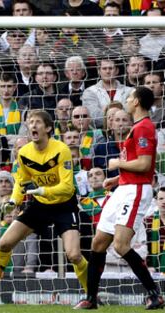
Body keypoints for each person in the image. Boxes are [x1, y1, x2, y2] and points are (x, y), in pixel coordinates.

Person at [0, 109, 88, 298]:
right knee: (5, 243)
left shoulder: (61, 150)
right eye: (30, 122)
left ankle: (91, 294)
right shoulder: (24, 153)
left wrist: (43, 190)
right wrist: (14, 202)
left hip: (64, 206)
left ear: (48, 128)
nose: (33, 125)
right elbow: (21, 183)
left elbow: (67, 187)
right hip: (40, 205)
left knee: (73, 255)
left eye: (37, 122)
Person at [74, 87, 164, 310]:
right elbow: (138, 165)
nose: (128, 100)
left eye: (131, 97)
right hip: (124, 188)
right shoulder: (136, 127)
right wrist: (116, 179)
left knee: (121, 245)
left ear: (137, 102)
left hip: (135, 191)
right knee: (98, 242)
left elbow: (144, 165)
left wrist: (116, 164)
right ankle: (91, 298)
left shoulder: (144, 128)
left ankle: (154, 294)